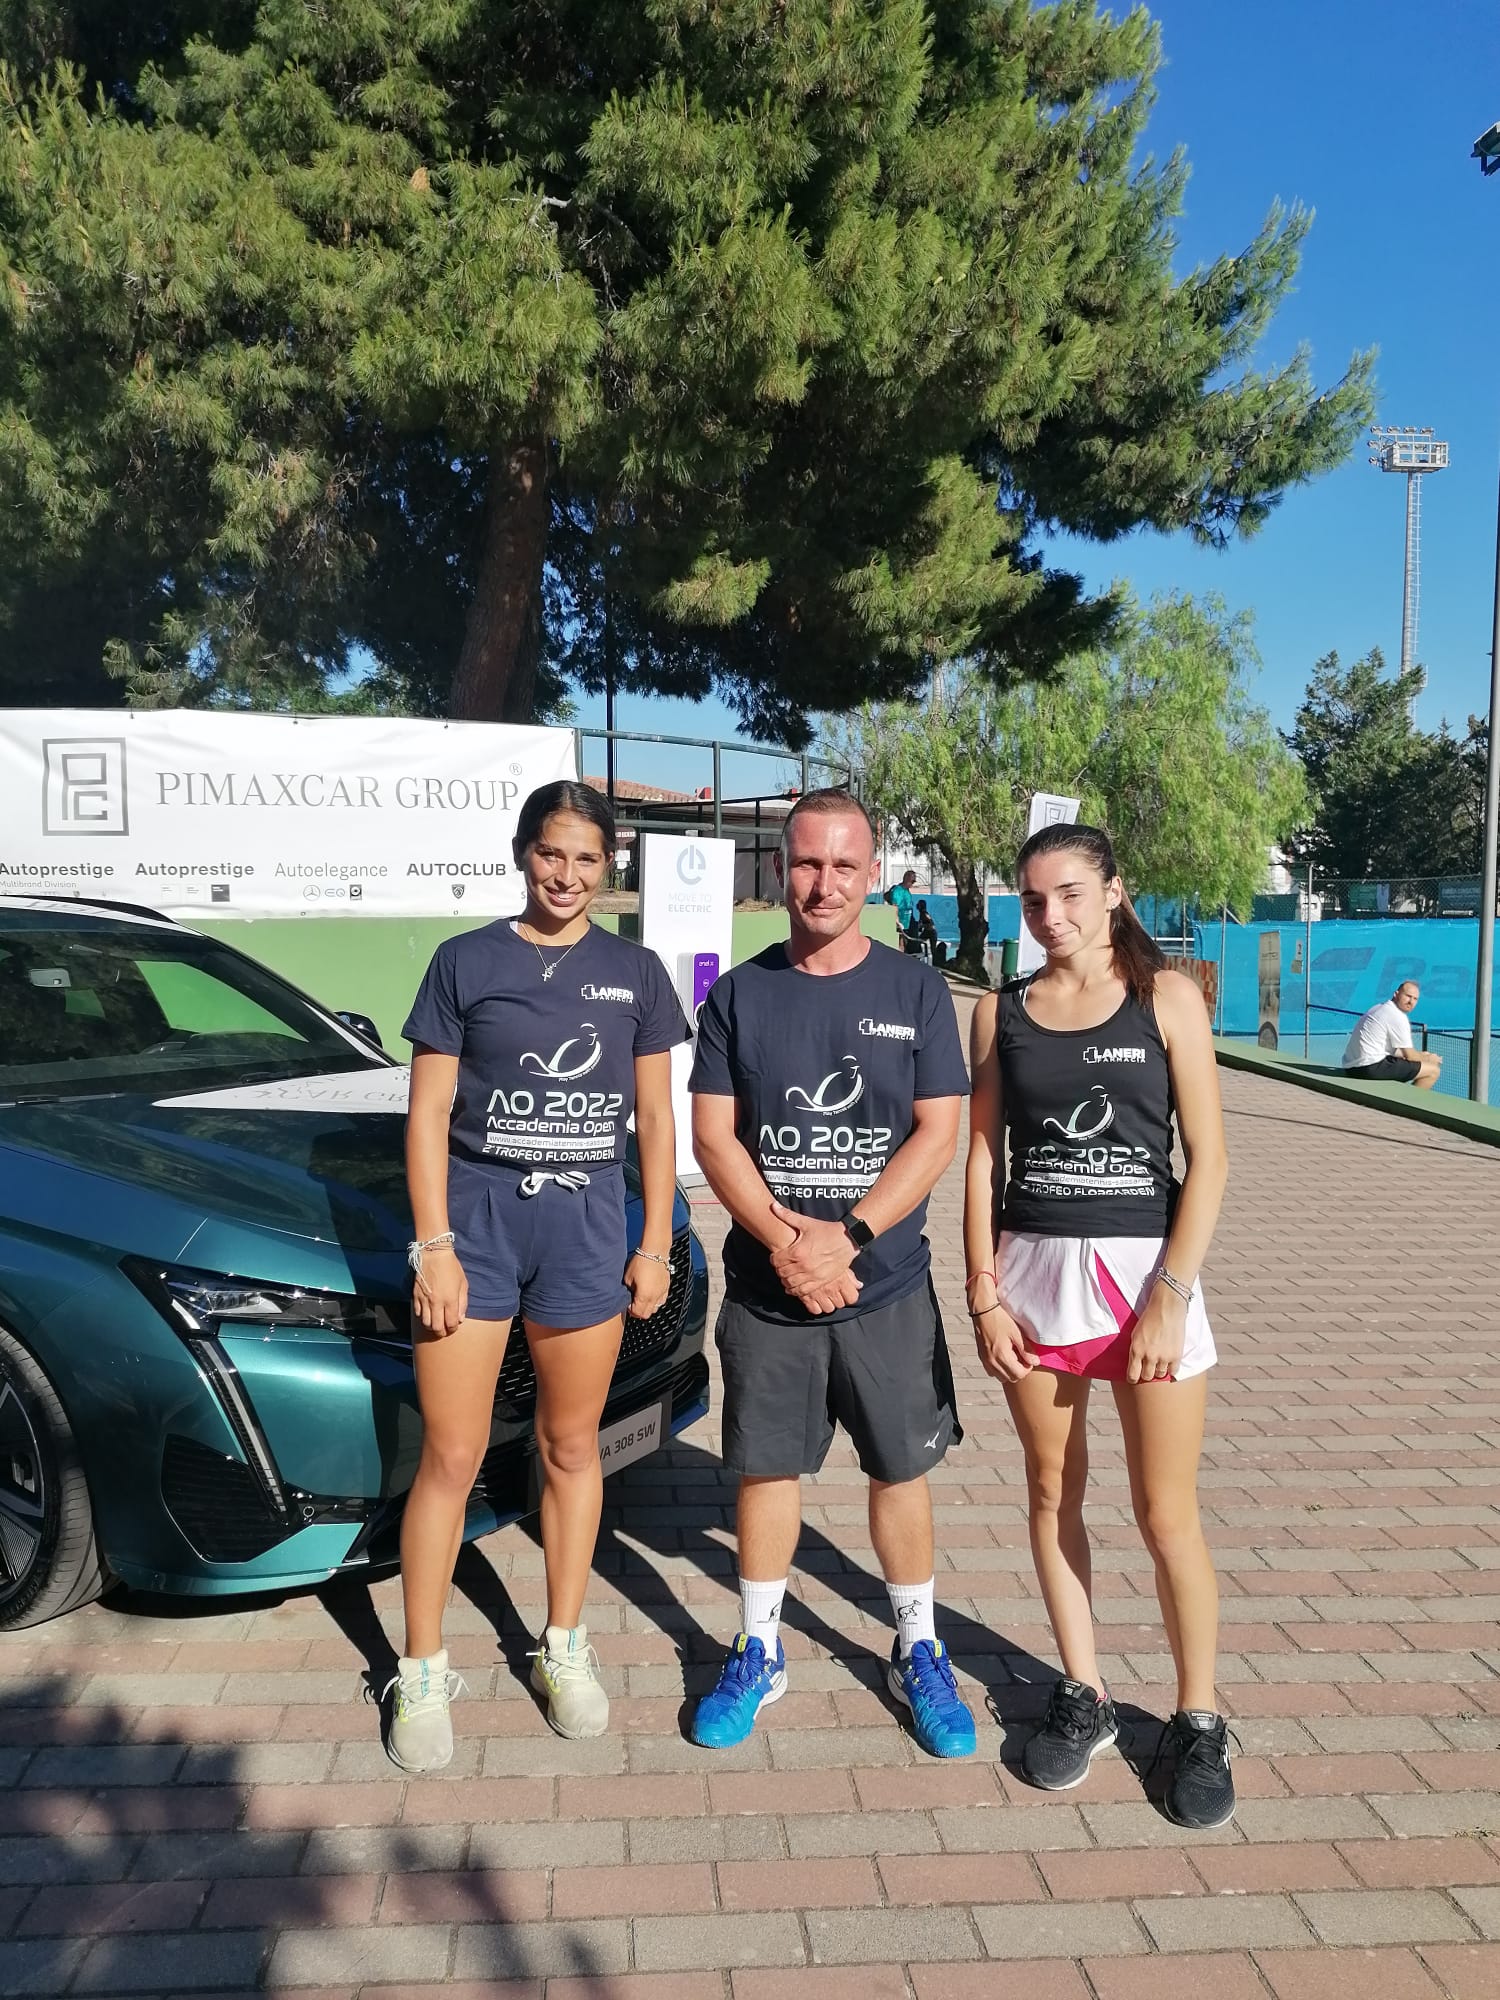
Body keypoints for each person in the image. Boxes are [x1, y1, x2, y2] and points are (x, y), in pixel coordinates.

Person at [389, 780, 690, 1770]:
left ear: (610, 866)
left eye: (587, 859)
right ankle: (420, 1665)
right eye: (551, 853)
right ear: (523, 852)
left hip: (586, 1237)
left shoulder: (635, 972)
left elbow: (657, 1119)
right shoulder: (465, 961)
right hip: (475, 1236)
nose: (566, 875)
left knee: (569, 1446)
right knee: (452, 1454)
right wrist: (432, 1244)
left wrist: (654, 1242)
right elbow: (427, 1113)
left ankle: (562, 1643)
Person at [688, 790, 977, 1759]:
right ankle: (759, 1647)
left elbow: (937, 1133)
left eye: (845, 865)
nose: (825, 883)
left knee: (900, 1468)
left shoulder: (916, 991)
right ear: (781, 869)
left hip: (884, 1285)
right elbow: (714, 1138)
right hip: (770, 1291)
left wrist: (845, 1237)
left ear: (873, 873)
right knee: (767, 1468)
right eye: (808, 862)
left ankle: (918, 1647)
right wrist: (788, 1244)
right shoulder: (739, 995)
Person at [963, 822, 1234, 1829]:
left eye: (1071, 893)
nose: (1052, 916)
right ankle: (1084, 1691)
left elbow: (1209, 1159)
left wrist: (1172, 1290)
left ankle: (1198, 1718)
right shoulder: (998, 1012)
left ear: (1114, 891)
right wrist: (982, 1291)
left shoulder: (1167, 998)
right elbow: (983, 1159)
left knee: (1166, 1514)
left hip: (1147, 1287)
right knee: (1052, 1491)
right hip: (1033, 1286)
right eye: (1034, 899)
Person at [1341, 981, 1441, 1088]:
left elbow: (1391, 1049)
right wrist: (1429, 1059)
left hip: (1351, 1067)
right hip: (1368, 1068)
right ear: (1396, 994)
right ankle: (1406, 1099)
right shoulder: (1397, 1016)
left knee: (1409, 1062)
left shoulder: (1378, 1008)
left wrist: (1422, 1055)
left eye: (1415, 999)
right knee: (1433, 1071)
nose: (1411, 1001)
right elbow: (1411, 1056)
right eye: (1408, 996)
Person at [887, 868, 920, 951]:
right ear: (906, 879)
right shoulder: (897, 891)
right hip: (901, 923)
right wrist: (897, 921)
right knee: (901, 944)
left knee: (910, 946)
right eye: (912, 881)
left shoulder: (907, 891)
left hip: (908, 923)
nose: (913, 884)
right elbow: (894, 906)